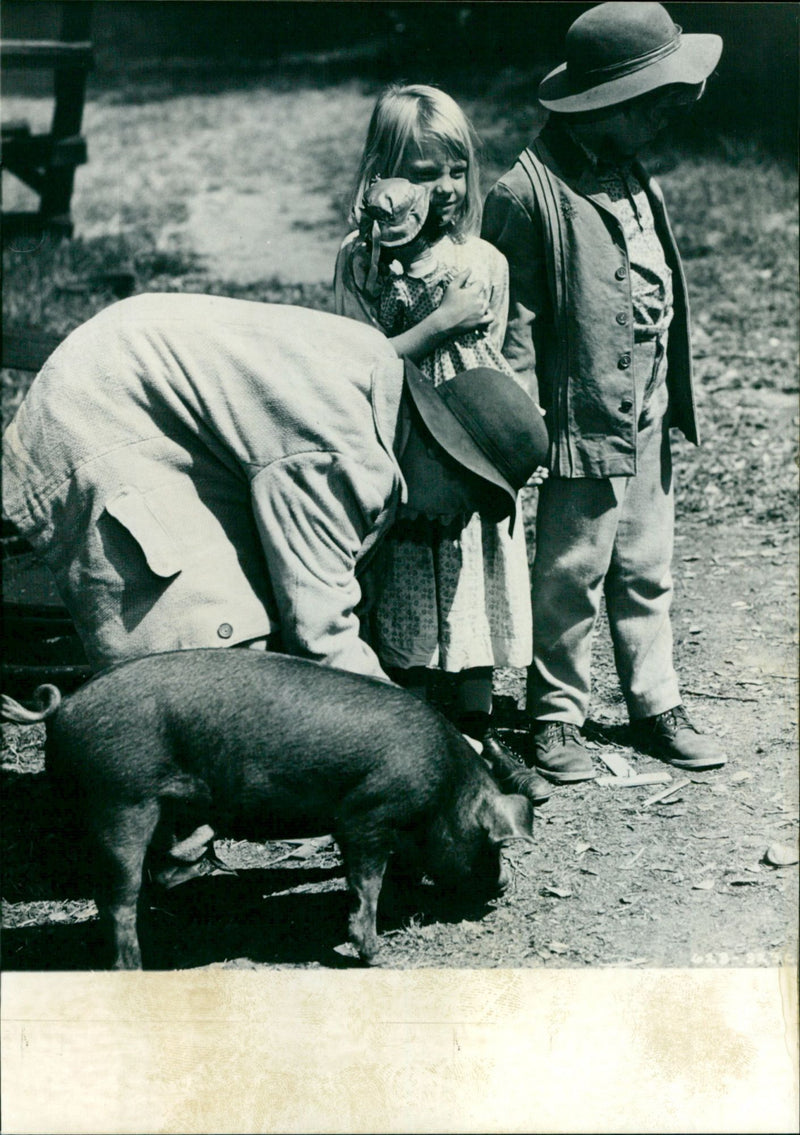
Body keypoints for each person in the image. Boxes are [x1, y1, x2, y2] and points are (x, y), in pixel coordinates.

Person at [2, 292, 547, 700]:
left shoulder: (379, 379)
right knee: (208, 662)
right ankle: (173, 848)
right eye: (466, 502)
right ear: (442, 453)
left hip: (146, 396)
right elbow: (322, 632)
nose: (453, 522)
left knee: (254, 629)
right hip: (99, 412)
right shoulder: (343, 456)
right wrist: (426, 739)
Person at [481, 1, 728, 783]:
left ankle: (656, 702)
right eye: (654, 104)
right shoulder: (527, 195)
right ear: (608, 105)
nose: (668, 117)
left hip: (648, 392)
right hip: (578, 409)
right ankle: (556, 715)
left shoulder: (627, 163)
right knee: (572, 569)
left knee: (648, 557)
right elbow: (510, 328)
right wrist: (518, 432)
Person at [334, 84, 550, 804]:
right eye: (424, 173)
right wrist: (439, 320)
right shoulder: (360, 263)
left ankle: (480, 734)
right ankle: (419, 735)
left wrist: (519, 432)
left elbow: (499, 359)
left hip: (472, 447)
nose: (447, 188)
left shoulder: (483, 259)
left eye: (456, 168)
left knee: (473, 582)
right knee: (408, 586)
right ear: (380, 178)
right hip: (404, 445)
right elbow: (358, 362)